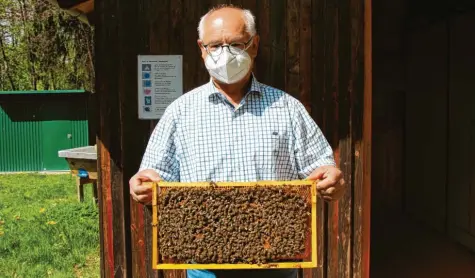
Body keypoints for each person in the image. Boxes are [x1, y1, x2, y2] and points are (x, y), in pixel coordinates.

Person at [129, 4, 345, 278]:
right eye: (215, 45)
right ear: (201, 48)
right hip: (205, 268)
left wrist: (331, 179)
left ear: (254, 46)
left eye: (234, 44)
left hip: (276, 265)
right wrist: (144, 183)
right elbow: (154, 174)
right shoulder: (180, 112)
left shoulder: (288, 108)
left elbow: (321, 168)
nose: (224, 53)